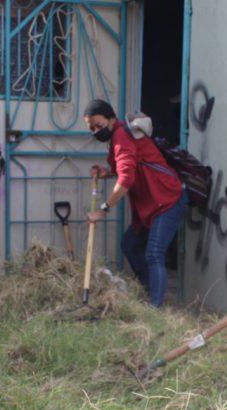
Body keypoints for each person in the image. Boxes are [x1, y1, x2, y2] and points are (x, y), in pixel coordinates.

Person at [84, 99, 188, 307]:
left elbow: (126, 180)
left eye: (99, 125)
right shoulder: (118, 135)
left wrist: (103, 209)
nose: (96, 131)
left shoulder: (121, 136)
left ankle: (155, 308)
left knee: (154, 254)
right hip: (150, 203)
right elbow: (129, 167)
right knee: (130, 245)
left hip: (166, 199)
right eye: (91, 128)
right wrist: (107, 173)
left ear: (112, 119)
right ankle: (149, 292)